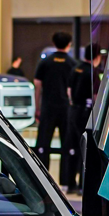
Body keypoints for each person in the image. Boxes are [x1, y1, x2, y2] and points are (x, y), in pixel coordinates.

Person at [34, 32, 74, 186]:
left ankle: (42, 179)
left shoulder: (45, 62)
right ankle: (66, 181)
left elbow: (38, 86)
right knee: (66, 144)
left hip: (48, 108)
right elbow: (72, 90)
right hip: (65, 109)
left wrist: (37, 108)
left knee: (43, 144)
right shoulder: (72, 63)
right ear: (69, 44)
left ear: (54, 43)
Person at [64, 45, 99, 192]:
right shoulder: (93, 72)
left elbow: (69, 91)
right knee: (85, 148)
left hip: (73, 111)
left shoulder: (75, 69)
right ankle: (82, 185)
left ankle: (70, 183)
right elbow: (96, 96)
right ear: (97, 56)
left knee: (73, 147)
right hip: (86, 113)